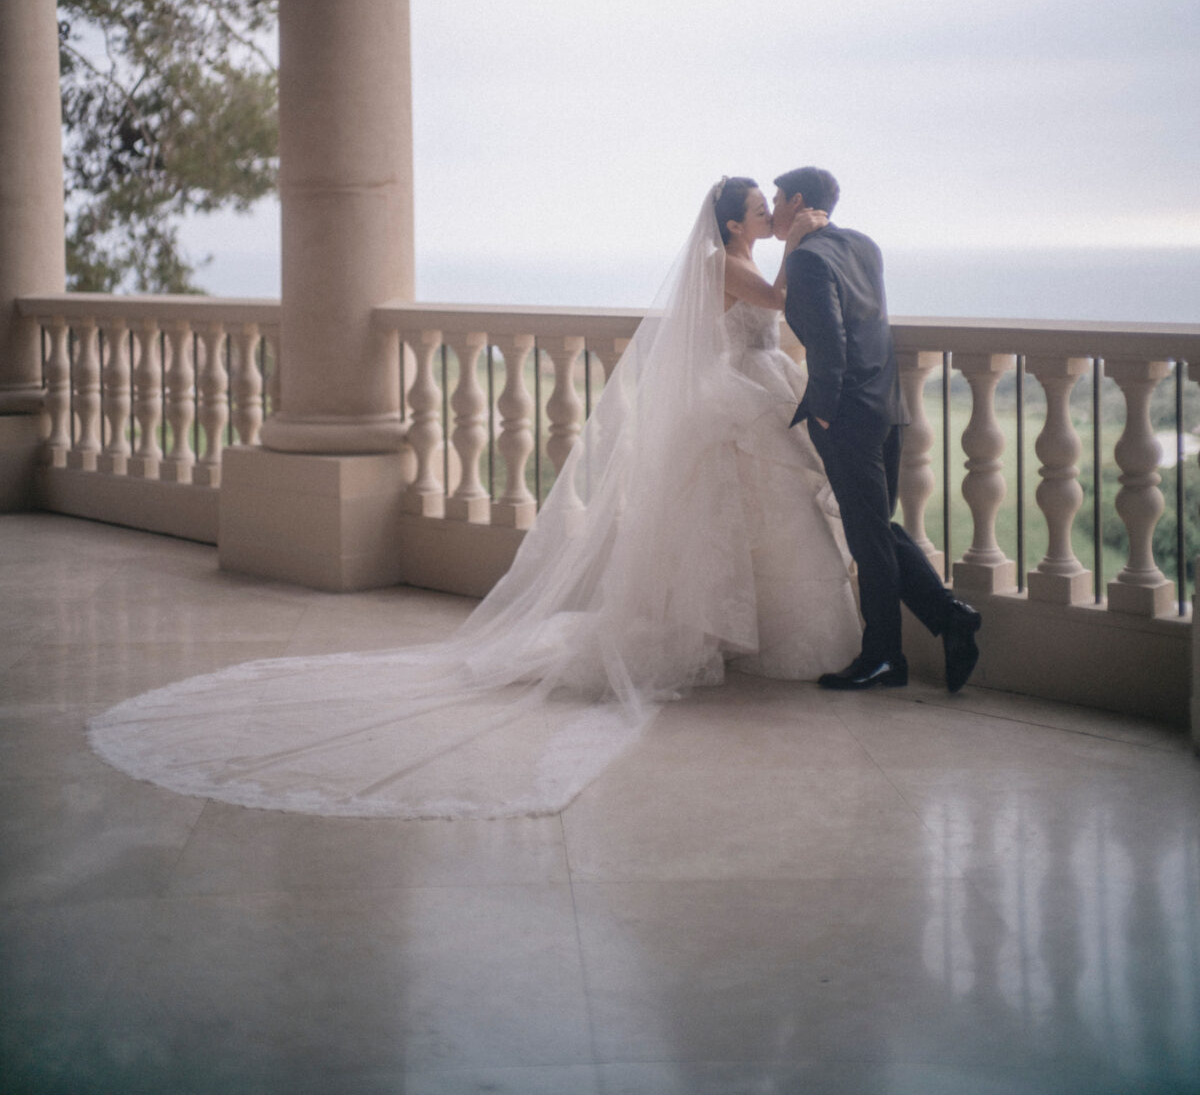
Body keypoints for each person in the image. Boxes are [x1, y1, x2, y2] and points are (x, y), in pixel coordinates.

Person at [87, 180, 862, 819]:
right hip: (730, 398)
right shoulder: (721, 264)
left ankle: (753, 632)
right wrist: (805, 237)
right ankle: (715, 631)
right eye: (761, 203)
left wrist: (797, 236)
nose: (769, 209)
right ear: (736, 220)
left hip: (749, 394)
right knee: (718, 522)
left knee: (755, 520)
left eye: (773, 204)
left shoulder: (736, 256)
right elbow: (781, 296)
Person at [772, 165, 981, 693]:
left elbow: (830, 344)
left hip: (847, 416)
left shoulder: (807, 260)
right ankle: (951, 617)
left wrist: (822, 411)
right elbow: (871, 326)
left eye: (777, 199)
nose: (773, 208)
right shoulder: (865, 245)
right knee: (878, 530)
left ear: (797, 201)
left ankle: (885, 657)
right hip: (888, 407)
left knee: (869, 539)